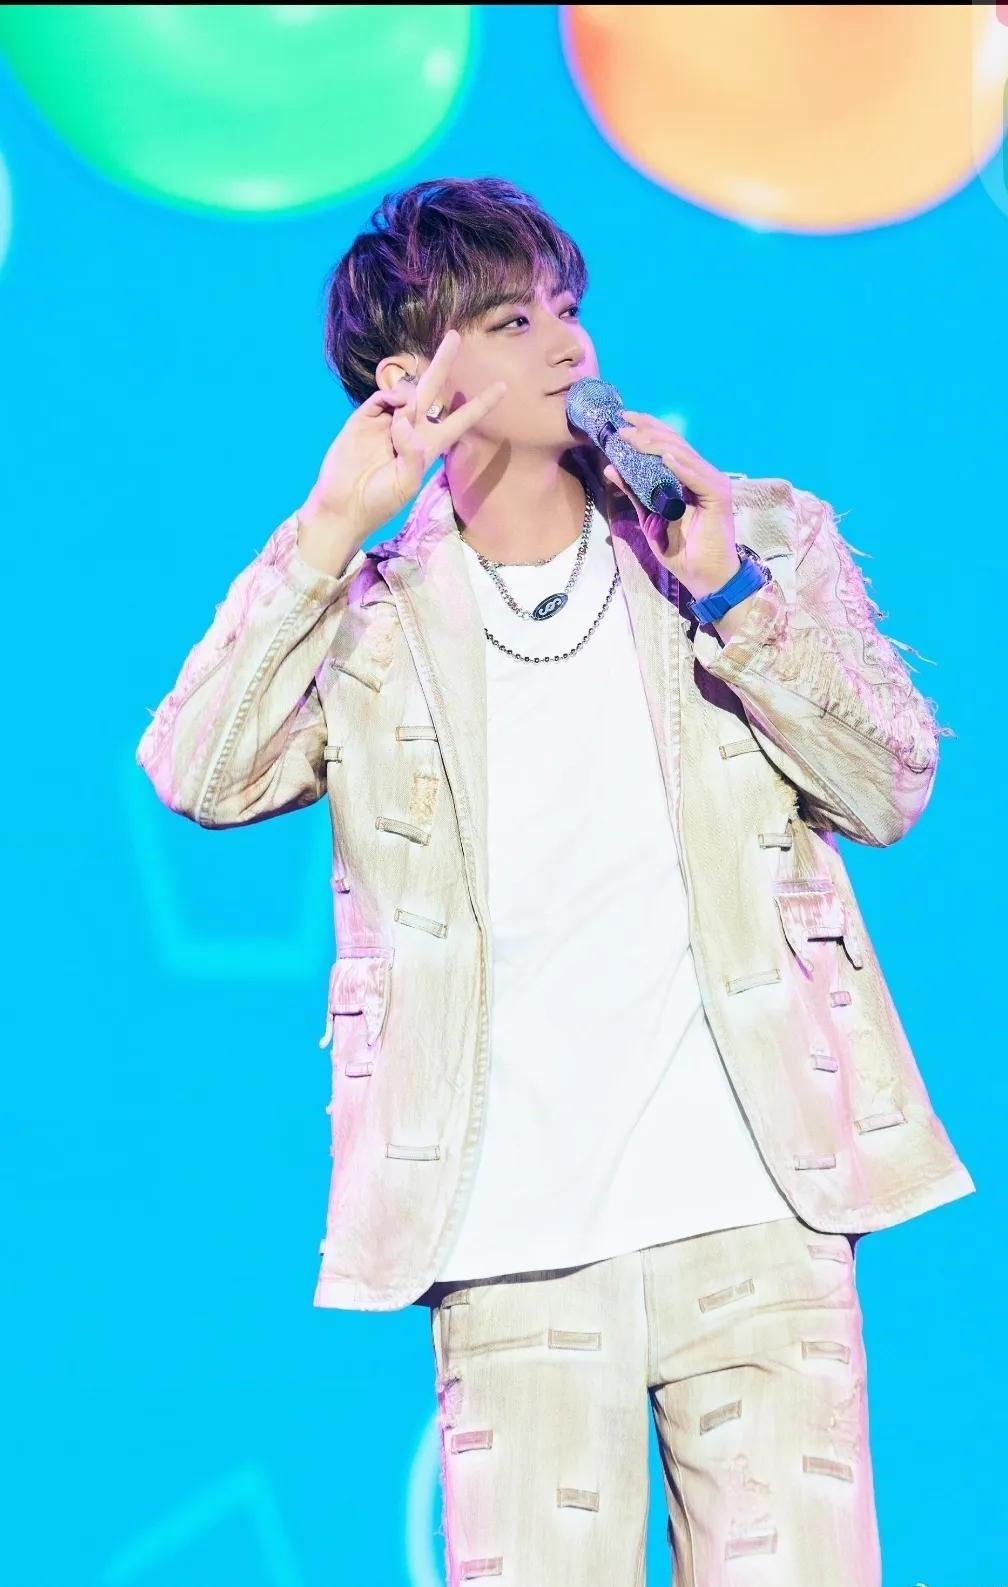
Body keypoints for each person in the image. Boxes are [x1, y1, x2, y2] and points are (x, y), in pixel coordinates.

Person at [136, 176, 975, 1586]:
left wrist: (733, 595)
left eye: (567, 307)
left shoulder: (740, 536)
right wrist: (329, 530)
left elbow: (888, 785)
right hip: (514, 1247)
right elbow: (200, 773)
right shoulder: (370, 624)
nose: (568, 343)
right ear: (408, 377)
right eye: (513, 320)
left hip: (758, 1223)